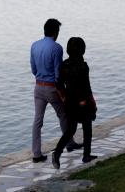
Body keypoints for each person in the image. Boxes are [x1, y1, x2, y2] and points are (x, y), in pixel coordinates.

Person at [30, 18, 83, 163]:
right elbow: (58, 73)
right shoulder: (57, 48)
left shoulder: (34, 46)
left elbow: (34, 69)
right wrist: (63, 91)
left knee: (37, 121)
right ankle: (70, 143)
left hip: (38, 87)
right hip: (51, 88)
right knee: (63, 115)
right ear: (55, 32)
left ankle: (36, 154)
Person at [52, 37, 98, 169]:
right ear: (82, 50)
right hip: (83, 102)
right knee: (87, 128)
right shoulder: (83, 66)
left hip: (70, 102)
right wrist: (93, 104)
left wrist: (65, 98)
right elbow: (87, 88)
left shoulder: (63, 65)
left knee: (71, 130)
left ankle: (57, 152)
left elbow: (59, 85)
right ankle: (86, 155)